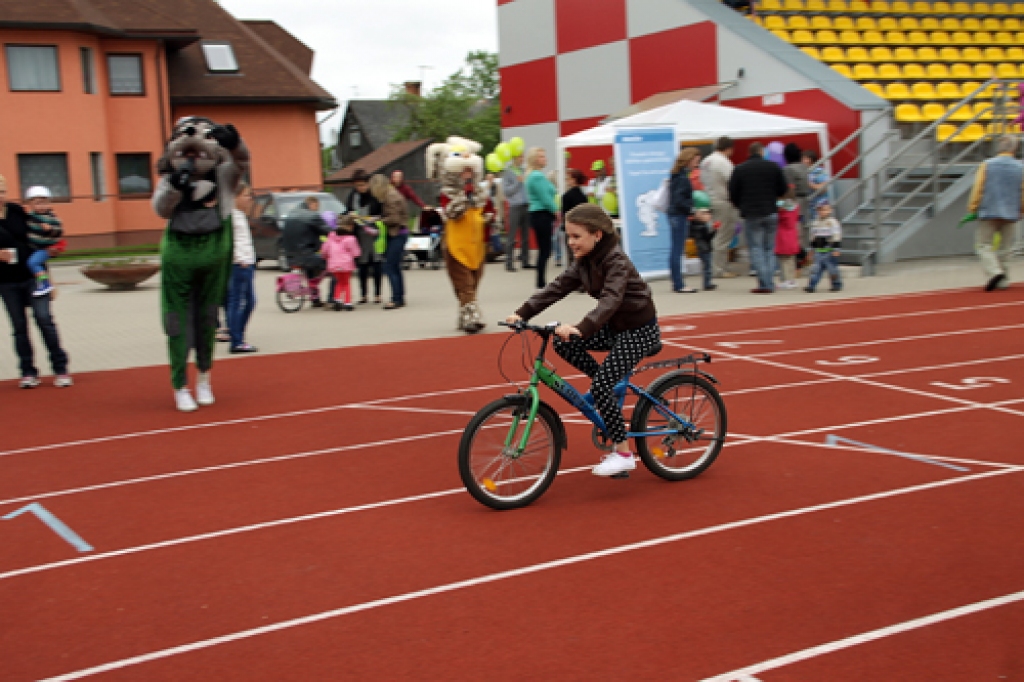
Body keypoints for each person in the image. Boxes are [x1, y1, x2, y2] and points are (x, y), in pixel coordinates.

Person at [505, 203, 660, 478]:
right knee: (563, 344)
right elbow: (557, 288)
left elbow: (611, 300)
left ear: (597, 235)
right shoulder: (585, 263)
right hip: (615, 328)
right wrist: (522, 312)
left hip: (638, 330)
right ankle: (607, 388)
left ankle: (624, 454)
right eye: (568, 235)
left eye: (576, 236)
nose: (570, 242)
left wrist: (581, 327)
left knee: (600, 385)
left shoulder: (616, 262)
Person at [153, 117, 249, 411]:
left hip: (213, 250)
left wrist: (235, 145)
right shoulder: (170, 178)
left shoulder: (221, 177)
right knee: (177, 322)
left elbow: (242, 165)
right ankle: (180, 384)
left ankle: (204, 377)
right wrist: (174, 187)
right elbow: (160, 209)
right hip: (180, 253)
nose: (194, 155)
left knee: (208, 318)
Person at [0, 174, 71, 388]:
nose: (0, 195)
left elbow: (38, 234)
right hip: (6, 281)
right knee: (19, 327)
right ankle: (28, 372)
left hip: (33, 277)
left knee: (44, 320)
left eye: (2, 191)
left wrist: (53, 251)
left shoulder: (16, 211)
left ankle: (60, 369)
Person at [438, 146, 492, 333]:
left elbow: (488, 212)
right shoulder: (447, 193)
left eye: (469, 170)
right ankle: (472, 318)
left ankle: (465, 314)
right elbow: (451, 213)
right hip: (456, 245)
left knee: (473, 283)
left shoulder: (480, 193)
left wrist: (489, 219)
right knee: (465, 285)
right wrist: (463, 196)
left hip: (476, 245)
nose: (467, 174)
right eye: (463, 171)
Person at [728, 141, 789, 294]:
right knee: (769, 248)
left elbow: (733, 192)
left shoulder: (740, 169)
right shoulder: (773, 167)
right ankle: (768, 281)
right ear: (762, 152)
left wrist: (741, 206)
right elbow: (783, 188)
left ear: (749, 152)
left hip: (751, 213)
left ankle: (765, 283)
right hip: (770, 210)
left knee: (756, 249)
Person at [967, 134, 1022, 291]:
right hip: (1011, 212)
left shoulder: (987, 164)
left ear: (999, 147)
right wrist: (1021, 209)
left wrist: (973, 206)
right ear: (1014, 148)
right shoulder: (1021, 167)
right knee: (1006, 248)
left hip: (989, 210)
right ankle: (1004, 280)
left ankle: (995, 272)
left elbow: (978, 187)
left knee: (983, 245)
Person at [701, 137, 742, 279]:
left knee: (715, 233)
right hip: (723, 200)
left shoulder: (705, 161)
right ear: (730, 148)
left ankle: (715, 266)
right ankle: (719, 269)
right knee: (723, 235)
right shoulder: (723, 162)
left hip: (709, 200)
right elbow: (733, 182)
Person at [226, 182, 258, 353]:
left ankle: (237, 335)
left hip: (248, 263)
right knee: (238, 301)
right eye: (246, 195)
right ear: (236, 197)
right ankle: (236, 339)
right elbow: (231, 242)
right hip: (240, 265)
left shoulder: (240, 216)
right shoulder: (231, 217)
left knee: (249, 301)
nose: (249, 199)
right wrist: (240, 259)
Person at [281, 195, 330, 307]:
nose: (317, 209)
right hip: (306, 253)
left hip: (289, 254)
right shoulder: (312, 216)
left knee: (310, 271)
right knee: (329, 265)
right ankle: (328, 296)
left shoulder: (291, 214)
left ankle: (315, 298)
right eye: (316, 206)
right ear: (311, 204)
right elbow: (327, 230)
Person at [369, 173, 409, 309]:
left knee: (390, 267)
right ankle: (400, 296)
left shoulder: (390, 197)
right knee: (395, 267)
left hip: (397, 233)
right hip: (400, 233)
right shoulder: (392, 194)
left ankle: (396, 299)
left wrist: (378, 220)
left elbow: (394, 219)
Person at [347, 169, 384, 304]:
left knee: (376, 264)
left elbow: (382, 212)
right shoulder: (353, 196)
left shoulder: (375, 195)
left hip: (375, 233)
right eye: (357, 186)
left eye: (362, 185)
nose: (360, 188)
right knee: (362, 265)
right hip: (360, 234)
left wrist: (374, 219)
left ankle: (377, 294)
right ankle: (363, 294)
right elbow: (348, 210)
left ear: (368, 184)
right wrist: (351, 215)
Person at [23, 186, 64, 297]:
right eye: (37, 203)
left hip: (45, 248)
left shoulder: (51, 217)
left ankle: (45, 283)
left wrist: (50, 230)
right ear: (30, 204)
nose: (41, 206)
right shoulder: (30, 216)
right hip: (34, 247)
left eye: (44, 203)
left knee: (33, 263)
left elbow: (60, 231)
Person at [526, 147, 558, 289]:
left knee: (544, 249)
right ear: (535, 160)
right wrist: (556, 210)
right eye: (541, 157)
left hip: (538, 214)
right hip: (542, 213)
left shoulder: (534, 175)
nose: (545, 159)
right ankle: (541, 282)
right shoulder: (536, 176)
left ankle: (541, 281)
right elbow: (545, 198)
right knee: (545, 249)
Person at [667, 147, 698, 293]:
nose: (696, 164)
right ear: (689, 160)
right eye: (696, 160)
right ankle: (678, 283)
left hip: (675, 214)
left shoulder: (676, 175)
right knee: (677, 250)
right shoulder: (681, 177)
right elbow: (679, 200)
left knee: (676, 249)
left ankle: (677, 282)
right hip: (678, 215)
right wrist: (691, 209)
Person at [321, 214, 361, 311]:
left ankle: (337, 299)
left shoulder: (330, 237)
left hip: (334, 265)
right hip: (346, 265)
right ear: (349, 226)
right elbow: (356, 253)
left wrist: (325, 257)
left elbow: (325, 250)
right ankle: (347, 303)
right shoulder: (351, 239)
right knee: (346, 283)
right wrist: (356, 256)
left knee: (339, 282)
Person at [804, 202, 843, 293]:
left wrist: (836, 249)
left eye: (825, 210)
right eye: (820, 210)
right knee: (815, 269)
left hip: (829, 251)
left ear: (830, 210)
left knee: (832, 269)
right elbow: (812, 237)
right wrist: (811, 250)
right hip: (818, 251)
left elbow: (836, 236)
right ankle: (811, 285)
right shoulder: (815, 223)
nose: (822, 212)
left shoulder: (833, 222)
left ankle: (836, 284)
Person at [502, 153, 531, 270]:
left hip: (526, 205)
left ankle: (525, 261)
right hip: (514, 206)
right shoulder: (508, 172)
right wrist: (517, 182)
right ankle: (508, 262)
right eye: (520, 157)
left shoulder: (524, 170)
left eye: (523, 157)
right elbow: (506, 191)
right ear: (514, 158)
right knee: (512, 235)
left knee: (526, 235)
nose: (522, 159)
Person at [782, 142, 811, 243]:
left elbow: (790, 189)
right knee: (801, 229)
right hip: (804, 201)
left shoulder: (787, 169)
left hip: (793, 202)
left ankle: (796, 253)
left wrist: (779, 204)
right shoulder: (804, 167)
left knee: (793, 230)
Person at [560, 169, 589, 266]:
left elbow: (565, 214)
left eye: (569, 178)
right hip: (581, 229)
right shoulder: (583, 196)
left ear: (574, 180)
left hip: (570, 229)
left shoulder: (566, 196)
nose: (567, 180)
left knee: (571, 256)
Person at [689, 205, 716, 291]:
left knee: (706, 266)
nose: (709, 215)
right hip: (705, 248)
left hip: (700, 248)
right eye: (706, 214)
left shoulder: (693, 226)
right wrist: (715, 230)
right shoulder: (703, 227)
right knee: (707, 267)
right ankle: (707, 284)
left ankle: (707, 283)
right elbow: (708, 237)